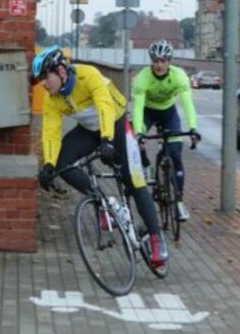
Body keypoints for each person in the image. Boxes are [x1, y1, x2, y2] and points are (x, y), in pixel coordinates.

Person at [34, 45, 169, 267]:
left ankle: (157, 239)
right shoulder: (52, 98)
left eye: (45, 77)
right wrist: (48, 164)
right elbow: (51, 131)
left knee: (133, 180)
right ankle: (106, 204)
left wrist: (107, 140)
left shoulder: (88, 75)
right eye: (40, 79)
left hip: (116, 123)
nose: (43, 84)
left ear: (61, 71)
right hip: (89, 130)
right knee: (61, 163)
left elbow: (105, 106)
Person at [131, 39, 200, 222]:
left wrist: (193, 128)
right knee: (134, 139)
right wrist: (139, 133)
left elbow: (188, 104)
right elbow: (137, 108)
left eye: (163, 61)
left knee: (175, 153)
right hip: (148, 112)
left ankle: (179, 202)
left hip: (168, 113)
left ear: (169, 61)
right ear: (151, 61)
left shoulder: (179, 76)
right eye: (156, 61)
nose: (159, 65)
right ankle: (146, 165)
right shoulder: (142, 79)